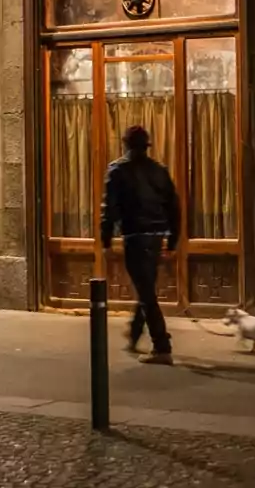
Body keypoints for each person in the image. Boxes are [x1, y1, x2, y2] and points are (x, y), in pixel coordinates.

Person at [100, 125, 181, 365]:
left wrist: (106, 240)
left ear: (125, 144)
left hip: (135, 236)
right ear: (146, 147)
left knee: (146, 291)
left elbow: (109, 209)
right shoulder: (159, 171)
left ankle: (162, 345)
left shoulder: (118, 170)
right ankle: (135, 333)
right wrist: (173, 240)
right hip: (156, 237)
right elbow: (174, 207)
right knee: (145, 286)